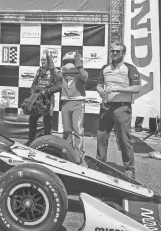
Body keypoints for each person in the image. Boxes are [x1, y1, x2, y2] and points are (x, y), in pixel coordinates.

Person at [96, 43, 140, 179]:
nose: (114, 54)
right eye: (112, 51)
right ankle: (100, 165)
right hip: (106, 106)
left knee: (124, 138)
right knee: (101, 136)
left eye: (117, 52)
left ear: (123, 53)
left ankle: (129, 168)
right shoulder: (105, 68)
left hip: (122, 107)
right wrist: (101, 91)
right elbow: (98, 85)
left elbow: (136, 88)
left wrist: (116, 89)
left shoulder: (130, 68)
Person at [48, 50, 88, 163]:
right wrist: (50, 60)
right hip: (65, 103)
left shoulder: (81, 74)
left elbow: (84, 76)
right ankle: (68, 152)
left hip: (78, 103)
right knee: (66, 130)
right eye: (66, 62)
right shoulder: (62, 75)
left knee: (78, 130)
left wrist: (78, 63)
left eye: (71, 61)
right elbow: (53, 74)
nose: (68, 64)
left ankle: (78, 154)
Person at [25, 52, 61, 145]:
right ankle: (31, 140)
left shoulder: (55, 72)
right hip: (37, 99)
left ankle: (47, 142)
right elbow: (34, 83)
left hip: (47, 99)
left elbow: (59, 86)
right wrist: (32, 92)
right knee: (32, 119)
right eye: (41, 60)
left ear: (49, 61)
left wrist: (47, 91)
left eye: (44, 60)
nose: (42, 62)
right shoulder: (39, 71)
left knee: (47, 122)